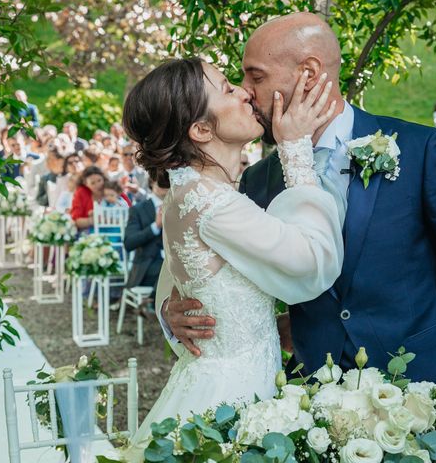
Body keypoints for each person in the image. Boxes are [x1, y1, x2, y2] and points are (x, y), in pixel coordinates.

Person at [162, 13, 436, 416]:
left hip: (431, 396)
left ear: (309, 74)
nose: (245, 92)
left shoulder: (422, 152)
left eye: (255, 77)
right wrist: (173, 314)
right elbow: (200, 268)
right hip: (312, 405)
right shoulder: (257, 180)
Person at [121, 57, 343, 456]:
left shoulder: (187, 193)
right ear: (202, 129)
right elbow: (312, 257)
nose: (244, 92)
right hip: (234, 394)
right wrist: (295, 151)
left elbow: (197, 279)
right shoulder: (213, 204)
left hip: (223, 375)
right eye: (227, 88)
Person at [123, 179, 168, 303]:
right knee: (169, 269)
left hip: (172, 263)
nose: (166, 184)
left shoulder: (180, 208)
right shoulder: (138, 209)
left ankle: (150, 302)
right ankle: (154, 304)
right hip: (146, 268)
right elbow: (129, 243)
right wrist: (156, 226)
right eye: (162, 180)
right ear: (152, 182)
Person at [70, 165, 106, 231]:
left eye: (99, 180)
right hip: (89, 233)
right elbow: (76, 220)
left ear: (103, 178)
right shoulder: (81, 192)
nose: (98, 185)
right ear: (86, 184)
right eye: (93, 183)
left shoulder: (112, 188)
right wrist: (93, 220)